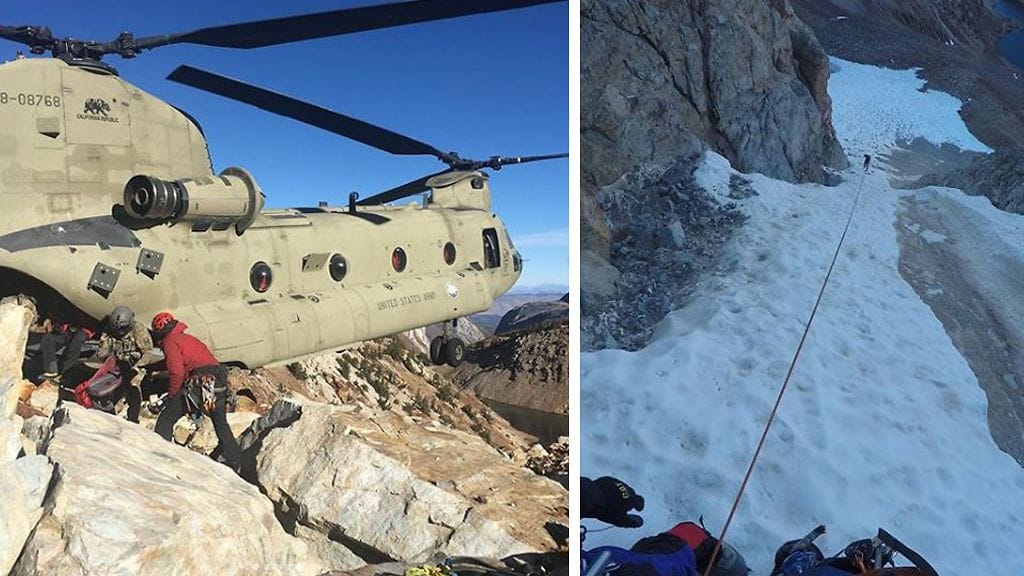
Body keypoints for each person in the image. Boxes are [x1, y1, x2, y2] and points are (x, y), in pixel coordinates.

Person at [150, 311, 240, 470]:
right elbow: (185, 361)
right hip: (218, 381)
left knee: (166, 418)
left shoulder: (169, 342)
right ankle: (235, 461)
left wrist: (171, 395)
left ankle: (161, 457)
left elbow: (177, 372)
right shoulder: (187, 338)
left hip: (200, 382)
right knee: (220, 423)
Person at [85, 305, 153, 422]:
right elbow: (102, 352)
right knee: (106, 384)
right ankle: (108, 409)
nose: (120, 331)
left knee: (133, 386)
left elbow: (148, 352)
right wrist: (110, 358)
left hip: (135, 364)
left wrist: (137, 366)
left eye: (122, 328)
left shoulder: (139, 330)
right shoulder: (108, 331)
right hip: (116, 363)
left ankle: (133, 416)